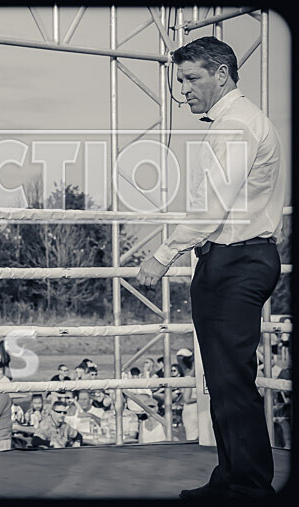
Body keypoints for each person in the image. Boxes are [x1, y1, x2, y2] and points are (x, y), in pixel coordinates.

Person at [137, 37, 285, 499]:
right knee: (222, 379)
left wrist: (164, 253)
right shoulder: (234, 123)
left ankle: (250, 487)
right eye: (180, 80)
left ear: (222, 74)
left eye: (191, 78)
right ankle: (233, 478)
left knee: (231, 379)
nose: (184, 90)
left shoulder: (237, 125)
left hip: (238, 260)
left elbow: (213, 206)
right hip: (232, 258)